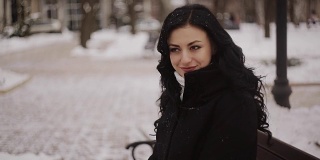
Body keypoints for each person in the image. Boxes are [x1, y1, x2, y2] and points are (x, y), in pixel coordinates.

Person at [148, 4, 271, 160]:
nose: (184, 59)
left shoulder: (235, 104)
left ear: (213, 46)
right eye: (175, 49)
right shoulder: (178, 94)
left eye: (195, 47)